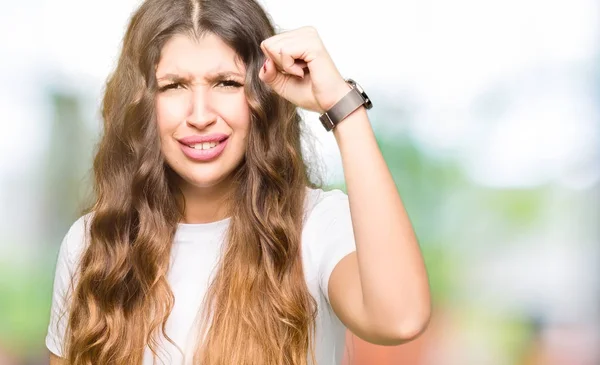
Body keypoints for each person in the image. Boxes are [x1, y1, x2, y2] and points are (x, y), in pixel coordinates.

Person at [45, 0, 431, 364]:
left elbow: (400, 319)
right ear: (143, 103)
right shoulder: (92, 245)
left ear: (262, 94)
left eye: (226, 83)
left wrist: (342, 106)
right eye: (174, 85)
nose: (200, 115)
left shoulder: (315, 226)